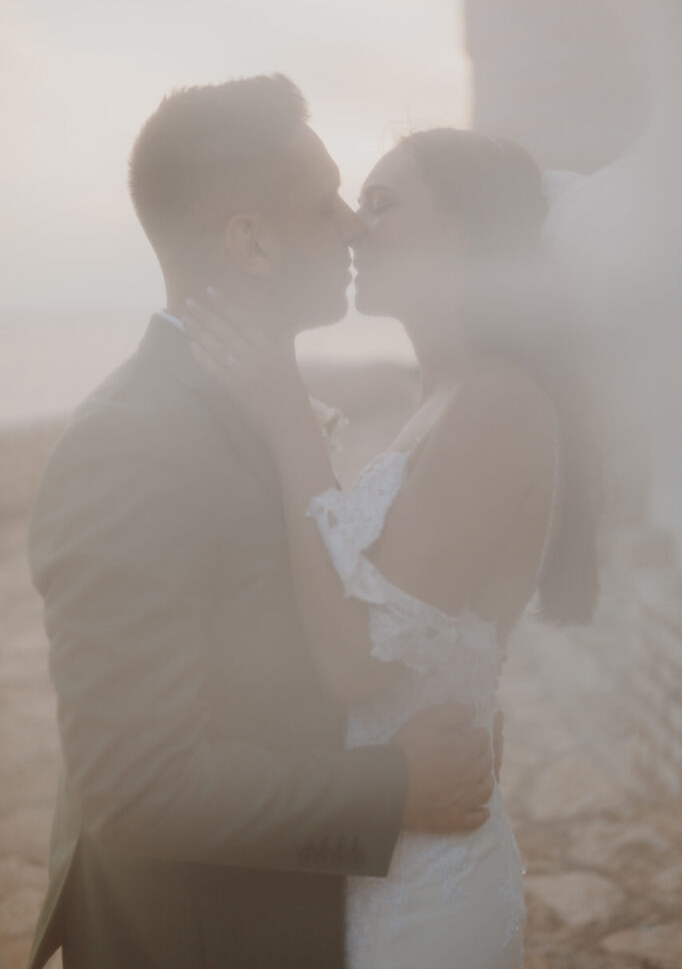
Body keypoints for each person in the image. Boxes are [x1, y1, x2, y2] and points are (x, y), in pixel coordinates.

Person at [26, 78, 497, 969]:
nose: (352, 226)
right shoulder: (128, 444)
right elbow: (135, 786)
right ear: (251, 242)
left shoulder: (244, 402)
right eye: (324, 205)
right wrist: (393, 787)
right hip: (207, 933)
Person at [184, 127, 602, 967]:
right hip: (383, 839)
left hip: (426, 893)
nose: (352, 227)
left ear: (463, 230)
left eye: (381, 204)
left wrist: (287, 421)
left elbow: (356, 664)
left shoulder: (497, 401)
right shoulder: (442, 392)